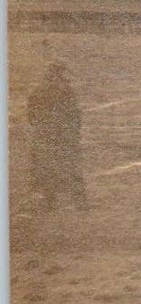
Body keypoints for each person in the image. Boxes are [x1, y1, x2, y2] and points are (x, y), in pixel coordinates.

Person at [26, 63, 87, 211]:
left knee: (47, 167)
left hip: (46, 135)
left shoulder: (38, 91)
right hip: (63, 136)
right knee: (69, 166)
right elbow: (75, 116)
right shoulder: (67, 92)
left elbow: (31, 115)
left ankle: (49, 201)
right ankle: (79, 202)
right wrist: (74, 133)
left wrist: (39, 130)